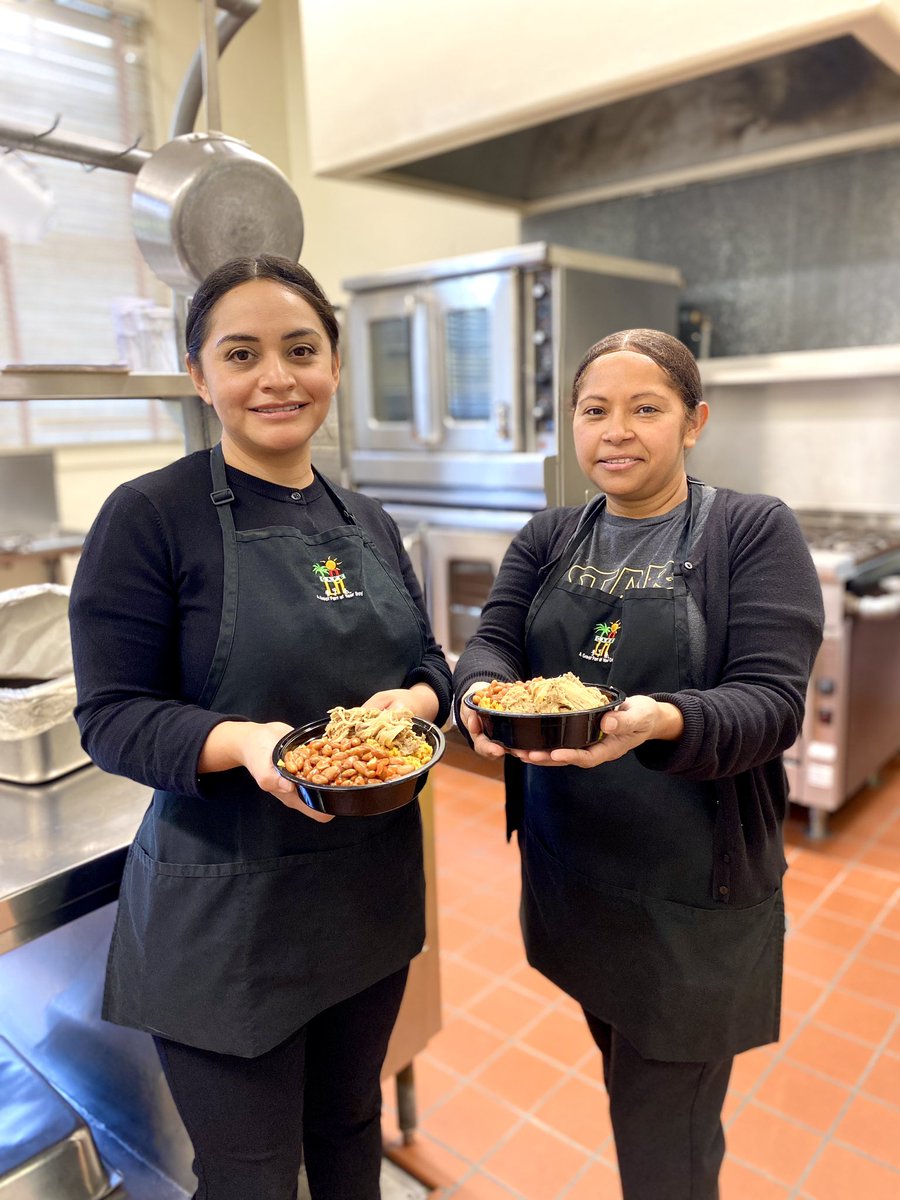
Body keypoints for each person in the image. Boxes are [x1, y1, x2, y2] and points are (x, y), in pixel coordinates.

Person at [68, 255, 452, 1200]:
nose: (276, 376)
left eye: (300, 349)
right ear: (200, 375)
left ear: (333, 364)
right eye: (241, 353)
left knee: (351, 1133)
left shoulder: (368, 519)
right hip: (225, 914)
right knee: (251, 1178)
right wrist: (247, 744)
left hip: (366, 900)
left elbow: (429, 666)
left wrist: (415, 706)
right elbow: (112, 718)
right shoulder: (151, 517)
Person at [454, 328, 824, 1200]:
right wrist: (481, 696)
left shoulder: (750, 530)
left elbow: (773, 705)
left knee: (665, 1143)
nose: (616, 431)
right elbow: (492, 644)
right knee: (626, 1075)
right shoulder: (550, 534)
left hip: (691, 893)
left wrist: (660, 719)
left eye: (645, 408)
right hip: (573, 873)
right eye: (595, 411)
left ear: (693, 422)